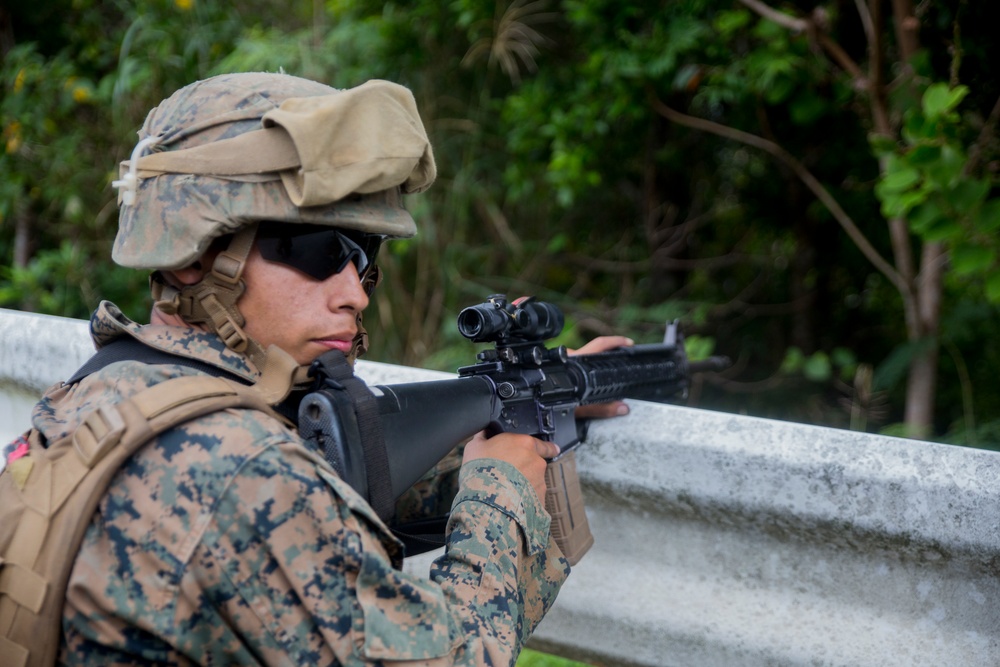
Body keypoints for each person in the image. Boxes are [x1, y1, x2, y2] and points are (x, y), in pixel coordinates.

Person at [29, 72, 630, 665]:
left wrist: (528, 401)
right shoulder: (244, 466)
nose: (355, 294)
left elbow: (331, 500)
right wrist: (497, 496)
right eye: (318, 249)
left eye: (363, 256)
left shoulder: (103, 391)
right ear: (196, 256)